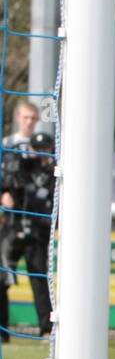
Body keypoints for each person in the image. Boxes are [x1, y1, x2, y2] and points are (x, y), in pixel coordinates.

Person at [0, 131, 56, 337]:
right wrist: (5, 193)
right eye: (37, 149)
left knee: (39, 278)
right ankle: (2, 331)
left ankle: (46, 329)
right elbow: (9, 179)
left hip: (39, 232)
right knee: (2, 276)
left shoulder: (55, 171)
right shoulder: (23, 167)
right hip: (14, 229)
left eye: (46, 149)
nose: (42, 153)